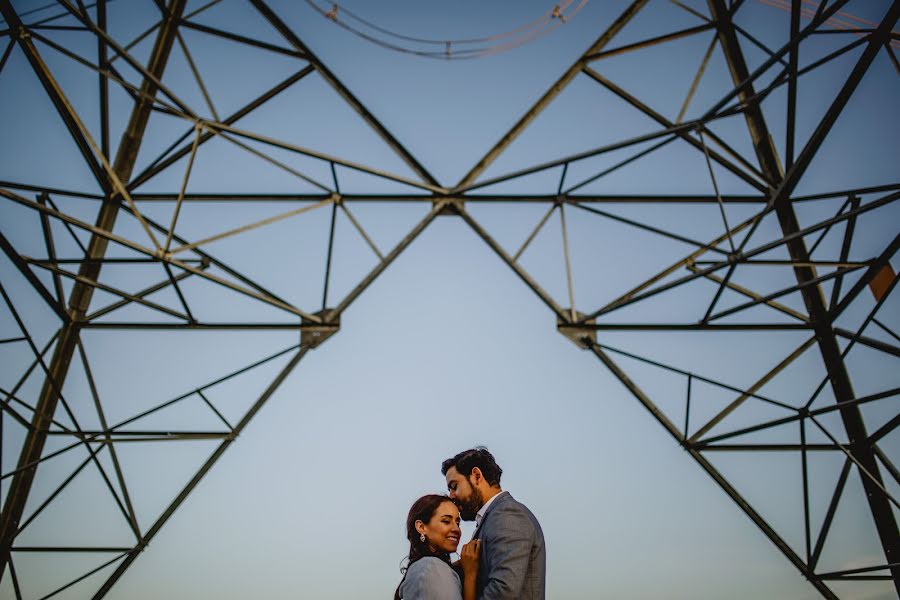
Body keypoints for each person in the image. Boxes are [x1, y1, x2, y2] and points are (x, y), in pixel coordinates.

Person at [442, 447, 545, 600]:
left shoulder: (507, 515)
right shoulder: (494, 517)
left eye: (454, 486)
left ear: (476, 476)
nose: (451, 496)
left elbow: (504, 591)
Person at [395, 494, 481, 600]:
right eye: (446, 521)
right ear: (421, 527)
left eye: (458, 523)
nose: (456, 529)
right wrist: (470, 575)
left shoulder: (430, 567)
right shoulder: (430, 567)